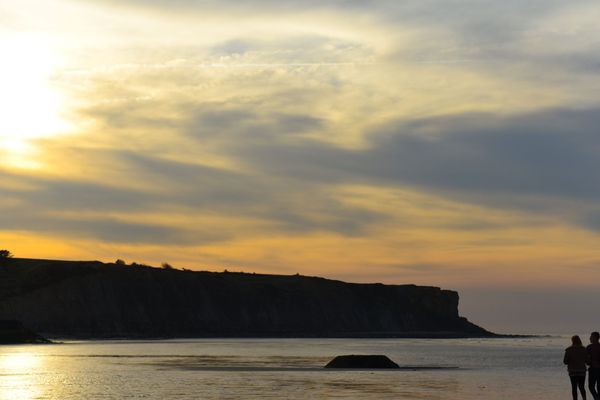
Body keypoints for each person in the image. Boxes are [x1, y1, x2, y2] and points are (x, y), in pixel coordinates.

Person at [565, 335, 588, 400]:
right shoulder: (584, 349)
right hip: (582, 371)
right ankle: (584, 399)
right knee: (582, 387)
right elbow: (587, 361)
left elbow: (565, 361)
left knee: (574, 387)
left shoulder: (569, 350)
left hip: (572, 371)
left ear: (572, 341)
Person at [588, 332, 600, 400]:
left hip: (593, 369)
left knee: (591, 387)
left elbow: (587, 360)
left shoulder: (589, 347)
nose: (590, 338)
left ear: (595, 338)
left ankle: (597, 398)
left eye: (591, 337)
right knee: (599, 387)